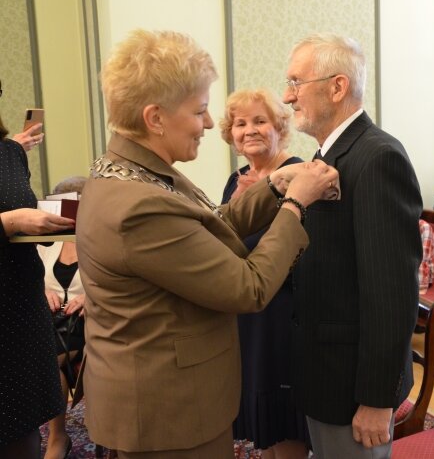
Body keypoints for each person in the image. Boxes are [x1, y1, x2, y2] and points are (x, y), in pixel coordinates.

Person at [75, 29, 338, 458]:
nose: (212, 124)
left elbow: (209, 225)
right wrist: (294, 205)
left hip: (166, 398)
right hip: (169, 416)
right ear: (155, 118)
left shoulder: (134, 171)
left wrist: (272, 186)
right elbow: (246, 287)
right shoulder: (138, 207)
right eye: (200, 111)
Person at [282, 33, 422, 458]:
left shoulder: (377, 157)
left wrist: (377, 399)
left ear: (337, 86)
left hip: (353, 384)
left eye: (295, 83)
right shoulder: (330, 155)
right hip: (323, 371)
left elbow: (391, 293)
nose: (287, 97)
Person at [218, 89, 308, 458]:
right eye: (240, 123)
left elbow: (305, 248)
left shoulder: (298, 173)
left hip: (283, 316)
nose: (249, 130)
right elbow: (222, 242)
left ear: (279, 128)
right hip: (246, 317)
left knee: (284, 423)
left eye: (260, 121)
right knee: (262, 431)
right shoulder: (235, 179)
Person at [0, 113, 75, 459]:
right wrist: (11, 221)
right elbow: (12, 217)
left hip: (21, 309)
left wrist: (43, 225)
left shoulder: (10, 153)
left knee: (22, 427)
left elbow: (20, 213)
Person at [39, 176, 88, 459]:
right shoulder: (44, 243)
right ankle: (58, 436)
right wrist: (42, 289)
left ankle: (58, 439)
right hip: (53, 322)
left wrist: (90, 296)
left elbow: (117, 283)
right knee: (46, 355)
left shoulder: (102, 244)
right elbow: (31, 278)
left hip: (90, 321)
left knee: (43, 357)